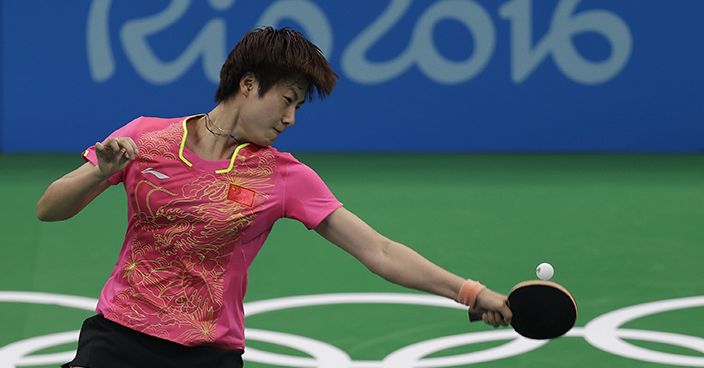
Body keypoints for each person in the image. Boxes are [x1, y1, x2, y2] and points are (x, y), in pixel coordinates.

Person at [36, 26, 512, 368]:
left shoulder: (283, 175)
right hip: (117, 338)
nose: (290, 119)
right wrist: (100, 172)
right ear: (247, 84)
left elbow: (379, 250)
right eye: (287, 100)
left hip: (207, 355)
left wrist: (468, 291)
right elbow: (49, 209)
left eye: (298, 107)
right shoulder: (146, 138)